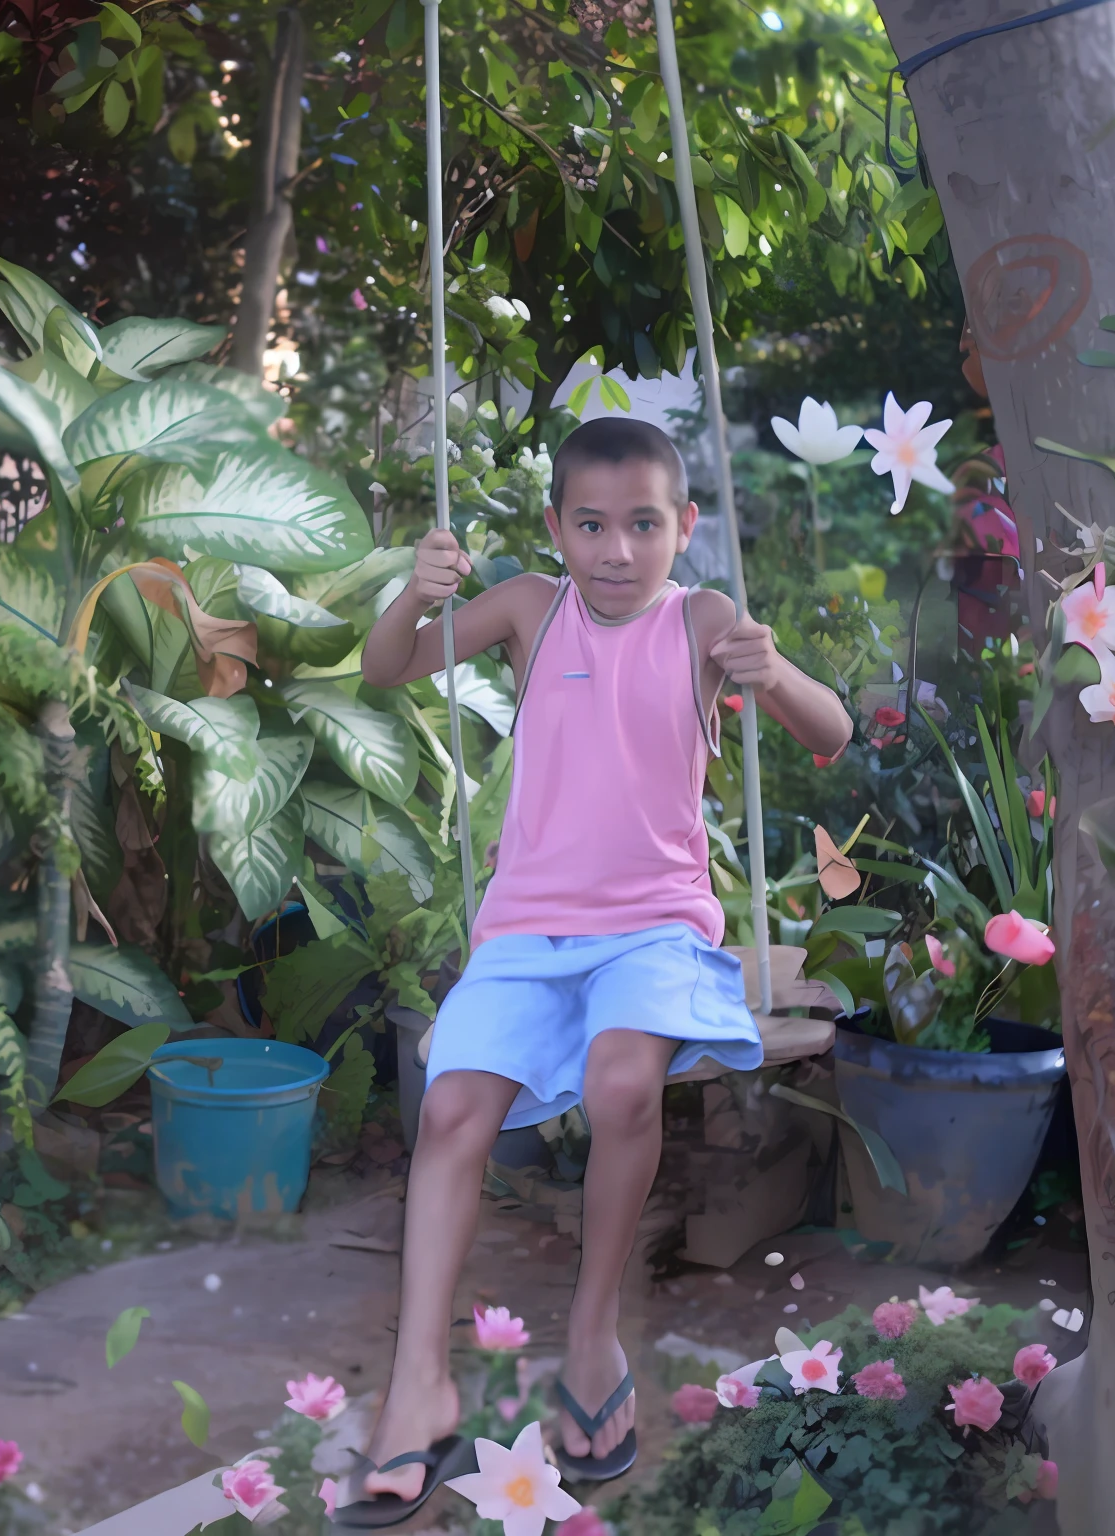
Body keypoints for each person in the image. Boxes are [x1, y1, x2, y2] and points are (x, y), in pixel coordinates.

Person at [331, 417, 853, 1527]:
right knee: (453, 1108)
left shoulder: (701, 620)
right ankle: (417, 1382)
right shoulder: (529, 606)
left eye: (642, 525)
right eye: (591, 525)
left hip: (654, 928)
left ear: (683, 527)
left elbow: (829, 733)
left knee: (623, 1084)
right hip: (526, 928)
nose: (616, 551)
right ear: (557, 529)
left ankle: (590, 1326)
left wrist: (775, 673)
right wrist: (414, 594)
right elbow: (386, 670)